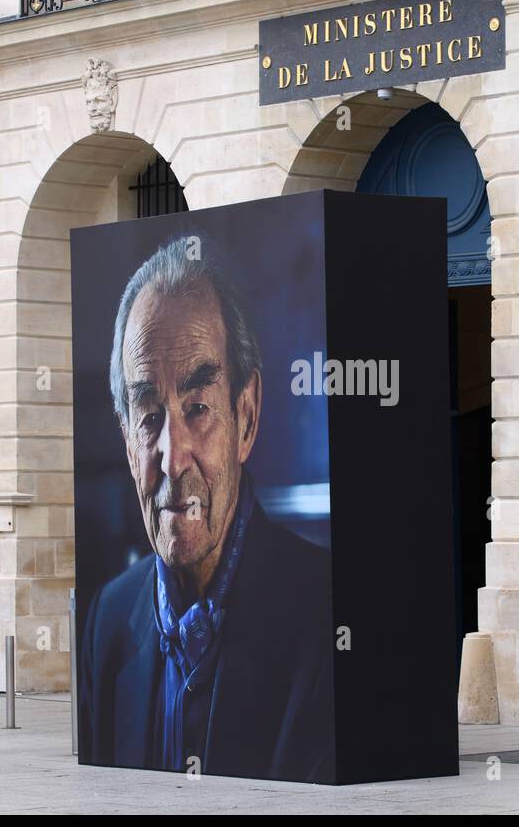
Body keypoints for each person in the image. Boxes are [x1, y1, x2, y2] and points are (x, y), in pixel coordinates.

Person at [80, 237, 333, 781]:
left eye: (198, 407)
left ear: (247, 415)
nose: (173, 459)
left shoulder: (325, 617)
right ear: (127, 442)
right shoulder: (106, 620)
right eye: (149, 416)